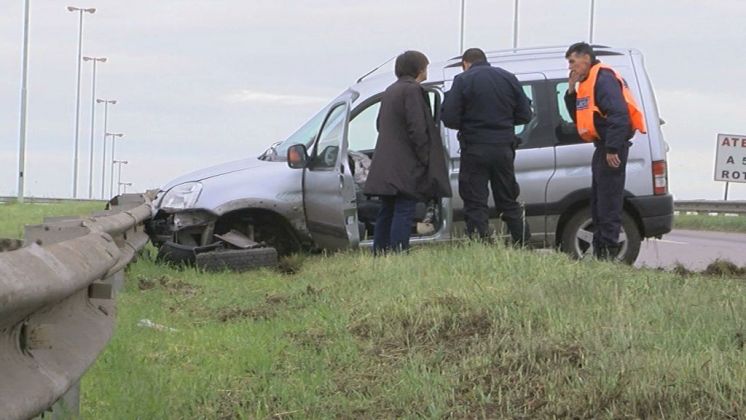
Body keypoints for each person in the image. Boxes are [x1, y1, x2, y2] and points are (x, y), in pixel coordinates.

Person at [563, 42, 646, 259]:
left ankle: (608, 252)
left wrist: (612, 148)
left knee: (609, 201)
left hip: (612, 147)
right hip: (602, 147)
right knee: (598, 201)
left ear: (585, 59)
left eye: (572, 62)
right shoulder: (587, 82)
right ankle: (600, 249)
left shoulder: (603, 79)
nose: (570, 67)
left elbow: (619, 116)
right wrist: (571, 91)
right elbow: (579, 118)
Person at [440, 47, 532, 245]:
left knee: (475, 202)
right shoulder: (508, 78)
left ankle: (481, 245)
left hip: (475, 149)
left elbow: (449, 117)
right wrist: (504, 123)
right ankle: (523, 243)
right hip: (503, 148)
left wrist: (468, 123)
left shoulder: (463, 80)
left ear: (465, 63)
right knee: (508, 200)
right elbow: (525, 114)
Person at [364, 50, 452, 254]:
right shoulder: (413, 90)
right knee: (404, 208)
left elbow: (380, 124)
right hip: (406, 164)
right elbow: (418, 128)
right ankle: (398, 250)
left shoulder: (390, 90)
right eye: (426, 67)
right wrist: (424, 158)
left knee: (387, 209)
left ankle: (380, 250)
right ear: (419, 69)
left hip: (387, 163)